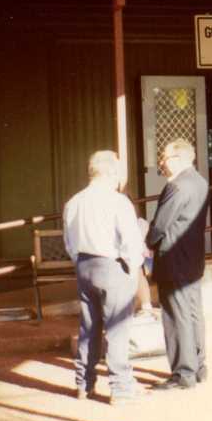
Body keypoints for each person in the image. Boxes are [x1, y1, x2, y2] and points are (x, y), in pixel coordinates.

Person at [63, 150, 145, 406]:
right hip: (112, 266)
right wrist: (133, 268)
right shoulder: (118, 201)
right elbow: (131, 241)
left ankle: (83, 384)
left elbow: (69, 242)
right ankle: (120, 387)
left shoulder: (74, 202)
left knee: (89, 326)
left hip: (85, 265)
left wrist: (80, 263)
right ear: (111, 172)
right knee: (117, 328)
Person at [146, 138, 210, 390]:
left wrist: (148, 240)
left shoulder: (177, 186)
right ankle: (198, 365)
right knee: (193, 313)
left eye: (164, 158)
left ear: (179, 158)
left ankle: (183, 372)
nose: (161, 162)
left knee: (175, 315)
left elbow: (161, 224)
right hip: (192, 258)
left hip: (173, 258)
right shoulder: (200, 182)